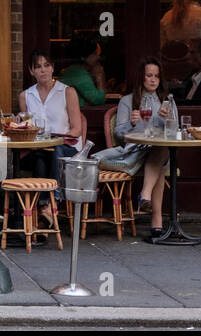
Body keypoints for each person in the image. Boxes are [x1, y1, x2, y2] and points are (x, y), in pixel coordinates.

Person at [93, 56, 170, 237]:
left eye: (157, 76)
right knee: (160, 159)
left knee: (161, 149)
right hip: (135, 151)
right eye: (149, 75)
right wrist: (132, 124)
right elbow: (119, 133)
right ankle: (156, 220)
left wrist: (167, 120)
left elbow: (173, 132)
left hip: (158, 151)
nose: (153, 80)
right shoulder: (127, 101)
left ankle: (145, 196)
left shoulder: (165, 101)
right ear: (141, 77)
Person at [16, 49, 83, 227]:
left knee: (53, 151)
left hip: (66, 148)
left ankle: (49, 202)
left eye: (46, 65)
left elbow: (77, 129)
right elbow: (26, 128)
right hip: (37, 149)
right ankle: (46, 209)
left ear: (53, 68)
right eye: (38, 67)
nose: (43, 70)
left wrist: (56, 139)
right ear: (31, 71)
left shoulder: (67, 92)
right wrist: (19, 124)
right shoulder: (26, 96)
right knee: (41, 158)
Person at [58, 37, 107, 106]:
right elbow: (99, 101)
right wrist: (100, 78)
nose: (98, 57)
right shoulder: (78, 74)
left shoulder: (72, 70)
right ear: (83, 57)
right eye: (94, 54)